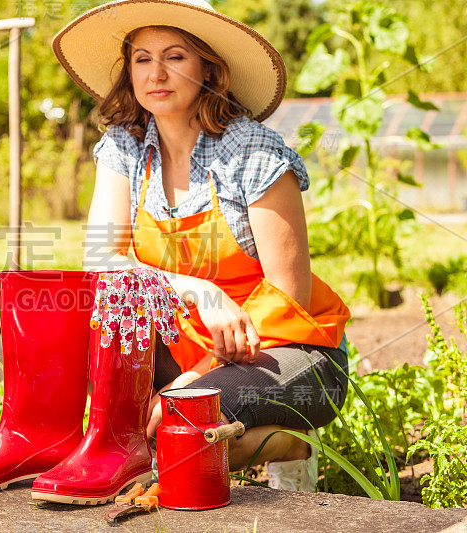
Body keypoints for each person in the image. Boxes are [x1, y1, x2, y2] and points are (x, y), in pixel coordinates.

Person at [52, 0, 351, 491]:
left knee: (181, 428)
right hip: (185, 342)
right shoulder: (124, 148)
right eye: (142, 59)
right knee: (120, 432)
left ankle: (291, 442)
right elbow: (102, 260)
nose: (156, 73)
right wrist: (197, 291)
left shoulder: (254, 153)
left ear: (210, 70)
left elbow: (288, 295)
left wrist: (200, 379)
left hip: (286, 349)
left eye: (176, 56)